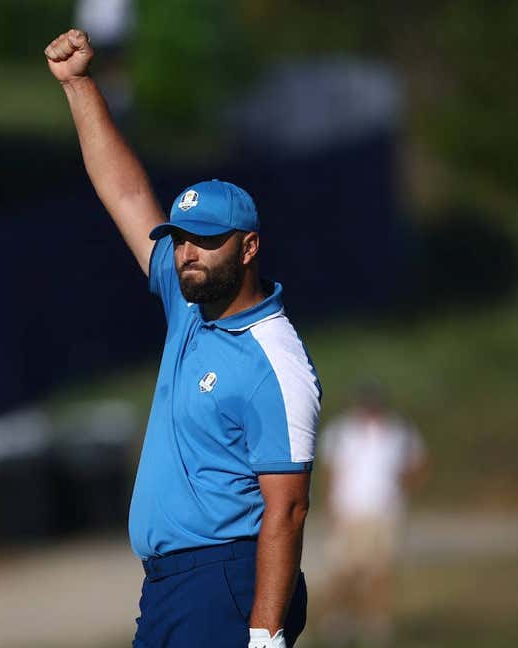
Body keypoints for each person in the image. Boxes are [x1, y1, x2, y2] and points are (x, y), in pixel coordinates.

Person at [44, 29, 322, 648]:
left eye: (205, 239)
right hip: (171, 585)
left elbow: (289, 509)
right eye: (180, 238)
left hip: (225, 581)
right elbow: (124, 191)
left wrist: (266, 635)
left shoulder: (274, 362)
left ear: (249, 246)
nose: (187, 253)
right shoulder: (188, 299)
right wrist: (79, 85)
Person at [319, 383, 427, 646]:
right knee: (344, 571)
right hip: (349, 510)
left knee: (381, 571)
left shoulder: (399, 432)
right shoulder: (341, 432)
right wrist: (331, 508)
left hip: (386, 511)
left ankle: (376, 626)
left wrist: (404, 490)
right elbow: (330, 471)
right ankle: (339, 622)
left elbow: (418, 463)